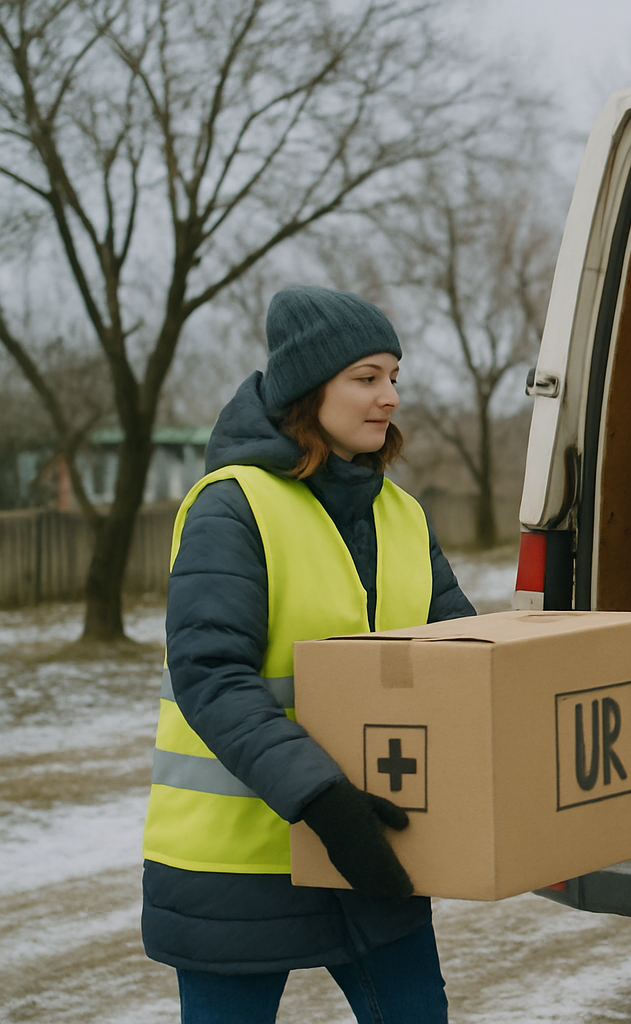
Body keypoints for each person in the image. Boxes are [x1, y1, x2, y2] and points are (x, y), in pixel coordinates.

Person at [140, 286, 476, 1023]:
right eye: (366, 377)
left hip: (375, 844)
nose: (389, 397)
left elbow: (461, 659)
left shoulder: (402, 513)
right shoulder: (233, 505)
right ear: (306, 389)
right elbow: (212, 677)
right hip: (237, 860)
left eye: (395, 377)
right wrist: (323, 800)